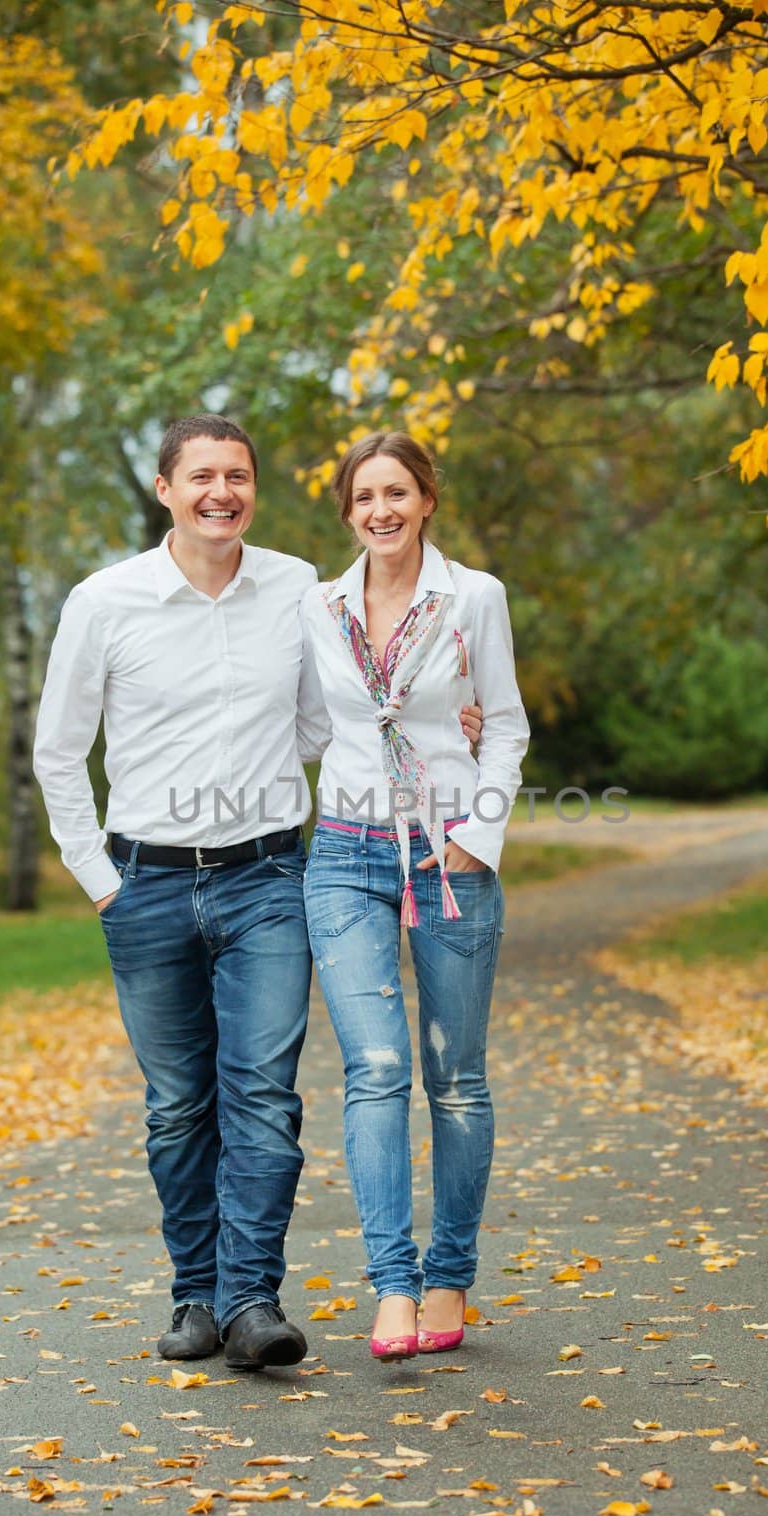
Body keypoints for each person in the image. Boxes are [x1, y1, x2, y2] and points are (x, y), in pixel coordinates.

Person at [33, 414, 481, 1371]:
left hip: (271, 878)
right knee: (176, 1106)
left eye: (237, 476)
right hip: (144, 885)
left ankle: (249, 1300)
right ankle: (193, 1294)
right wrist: (100, 881)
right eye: (201, 477)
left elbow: (340, 718)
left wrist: (454, 724)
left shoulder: (297, 591)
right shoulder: (104, 601)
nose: (220, 493)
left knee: (265, 1099)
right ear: (166, 489)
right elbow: (59, 754)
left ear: (253, 489)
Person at [299, 431, 530, 1362]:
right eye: (363, 498)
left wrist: (478, 833)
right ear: (348, 511)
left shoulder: (473, 597)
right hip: (346, 857)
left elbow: (505, 723)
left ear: (427, 498)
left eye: (396, 493)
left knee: (457, 1081)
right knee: (377, 1068)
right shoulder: (319, 606)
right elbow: (311, 723)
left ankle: (448, 1276)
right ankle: (391, 1284)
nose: (380, 511)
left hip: (450, 856)